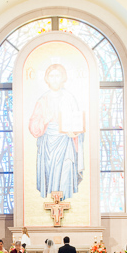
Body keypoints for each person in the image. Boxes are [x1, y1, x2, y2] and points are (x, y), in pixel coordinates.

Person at [29, 64, 84, 200]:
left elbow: (78, 123)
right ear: (47, 78)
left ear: (63, 78)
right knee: (49, 173)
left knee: (66, 168)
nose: (54, 79)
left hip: (65, 142)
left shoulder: (69, 98)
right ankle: (52, 198)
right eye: (51, 76)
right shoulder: (42, 100)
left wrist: (75, 133)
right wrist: (44, 120)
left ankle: (63, 198)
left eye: (57, 76)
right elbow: (33, 126)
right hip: (48, 144)